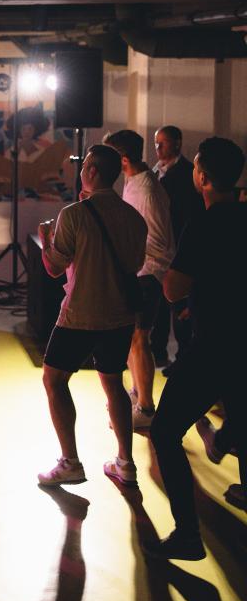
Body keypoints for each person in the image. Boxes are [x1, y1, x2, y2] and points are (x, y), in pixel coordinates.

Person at [145, 137, 247, 560]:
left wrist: (186, 290)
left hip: (215, 346)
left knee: (165, 431)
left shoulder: (203, 224)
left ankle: (188, 535)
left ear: (202, 177)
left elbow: (173, 289)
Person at [38, 144, 147, 488]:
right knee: (113, 383)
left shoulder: (73, 214)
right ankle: (125, 463)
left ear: (92, 172)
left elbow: (54, 268)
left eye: (85, 164)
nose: (82, 169)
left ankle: (70, 462)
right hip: (120, 315)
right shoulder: (134, 218)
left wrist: (46, 239)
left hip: (80, 315)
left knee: (54, 381)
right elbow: (136, 264)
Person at [104, 130, 174, 427]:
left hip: (147, 273)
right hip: (137, 271)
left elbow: (158, 243)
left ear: (122, 159)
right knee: (132, 338)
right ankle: (137, 394)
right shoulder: (134, 182)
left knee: (139, 337)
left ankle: (146, 408)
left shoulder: (147, 190)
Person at [150, 126, 204, 368]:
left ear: (177, 143)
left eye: (163, 142)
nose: (158, 147)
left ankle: (183, 357)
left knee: (179, 304)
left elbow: (188, 212)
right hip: (160, 245)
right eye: (156, 142)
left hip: (178, 242)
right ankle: (158, 351)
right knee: (158, 304)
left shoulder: (186, 173)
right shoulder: (154, 171)